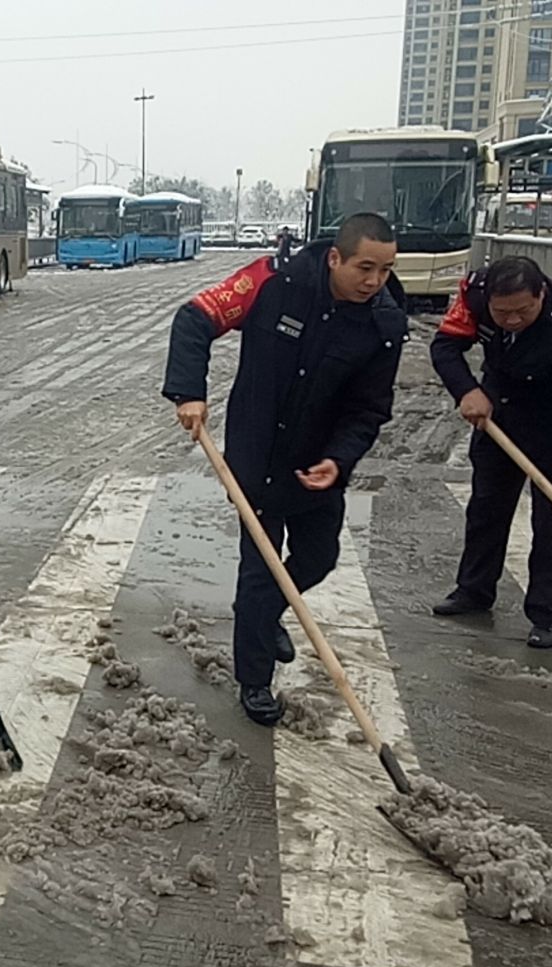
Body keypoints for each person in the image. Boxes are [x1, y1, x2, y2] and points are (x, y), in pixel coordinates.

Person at [162, 214, 408, 726]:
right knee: (261, 568)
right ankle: (254, 680)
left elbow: (369, 409)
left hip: (318, 461)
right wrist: (189, 392)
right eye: (365, 268)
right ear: (335, 258)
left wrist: (339, 459)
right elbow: (195, 318)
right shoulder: (272, 282)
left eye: (385, 270)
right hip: (256, 453)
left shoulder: (385, 323)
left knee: (318, 558)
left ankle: (266, 612)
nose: (374, 281)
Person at [429, 255, 552, 649]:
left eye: (522, 311)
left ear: (541, 294)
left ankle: (548, 612)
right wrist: (467, 391)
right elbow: (445, 347)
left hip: (551, 421)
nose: (511, 320)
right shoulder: (473, 294)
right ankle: (473, 591)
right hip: (498, 410)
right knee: (486, 508)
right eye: (501, 312)